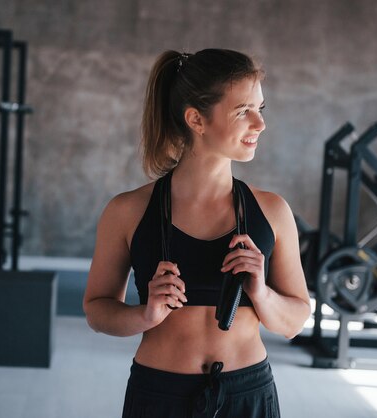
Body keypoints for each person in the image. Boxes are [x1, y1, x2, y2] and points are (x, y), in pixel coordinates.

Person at [83, 49, 311, 418]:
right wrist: (146, 314)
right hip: (159, 396)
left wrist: (261, 292)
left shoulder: (273, 211)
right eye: (243, 112)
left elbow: (296, 320)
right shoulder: (126, 211)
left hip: (247, 395)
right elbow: (96, 311)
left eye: (260, 109)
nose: (260, 124)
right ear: (196, 119)